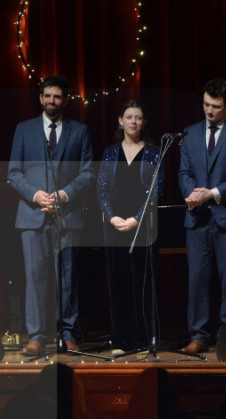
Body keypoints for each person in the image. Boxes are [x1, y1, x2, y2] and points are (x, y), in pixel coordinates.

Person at [8, 75, 94, 356]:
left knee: (68, 279)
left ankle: (68, 334)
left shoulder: (79, 131)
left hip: (67, 216)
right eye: (47, 96)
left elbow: (87, 173)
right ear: (40, 98)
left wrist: (63, 195)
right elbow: (14, 173)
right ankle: (37, 336)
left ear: (65, 100)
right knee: (35, 278)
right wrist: (36, 195)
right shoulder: (24, 129)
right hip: (32, 216)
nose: (51, 101)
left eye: (57, 97)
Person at [177, 78, 226, 354]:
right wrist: (192, 194)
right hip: (197, 218)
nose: (209, 110)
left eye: (216, 106)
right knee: (197, 280)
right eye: (206, 104)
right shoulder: (190, 132)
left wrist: (212, 193)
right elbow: (184, 172)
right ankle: (198, 335)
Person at [96, 100, 165, 354]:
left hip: (143, 226)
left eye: (138, 117)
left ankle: (142, 341)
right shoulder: (110, 152)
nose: (133, 121)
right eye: (129, 117)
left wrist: (136, 218)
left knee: (142, 285)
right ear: (120, 120)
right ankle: (121, 342)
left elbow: (157, 190)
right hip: (114, 226)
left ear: (144, 122)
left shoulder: (154, 152)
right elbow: (102, 189)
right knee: (118, 283)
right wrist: (111, 217)